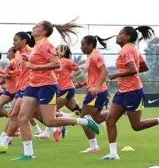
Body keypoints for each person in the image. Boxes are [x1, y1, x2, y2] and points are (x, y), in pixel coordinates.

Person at [16, 22, 102, 160]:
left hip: (47, 86)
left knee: (49, 121)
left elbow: (56, 64)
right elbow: (38, 62)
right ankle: (28, 154)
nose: (33, 28)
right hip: (33, 86)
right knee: (22, 117)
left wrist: (34, 66)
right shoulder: (37, 45)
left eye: (37, 26)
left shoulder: (46, 44)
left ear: (44, 31)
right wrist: (29, 59)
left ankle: (84, 122)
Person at [102, 26, 159, 161]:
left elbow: (134, 69)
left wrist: (116, 75)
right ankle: (113, 154)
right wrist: (127, 75)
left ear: (128, 37)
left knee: (136, 126)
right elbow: (144, 67)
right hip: (123, 91)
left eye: (120, 34)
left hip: (133, 92)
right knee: (110, 120)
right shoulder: (133, 49)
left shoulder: (126, 50)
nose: (117, 36)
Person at [78, 34, 111, 153]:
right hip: (96, 90)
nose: (81, 47)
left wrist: (97, 86)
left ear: (90, 45)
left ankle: (93, 146)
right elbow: (94, 74)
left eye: (83, 45)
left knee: (83, 119)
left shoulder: (96, 55)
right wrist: (82, 84)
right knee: (95, 119)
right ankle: (117, 112)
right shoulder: (90, 56)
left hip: (96, 92)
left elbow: (105, 71)